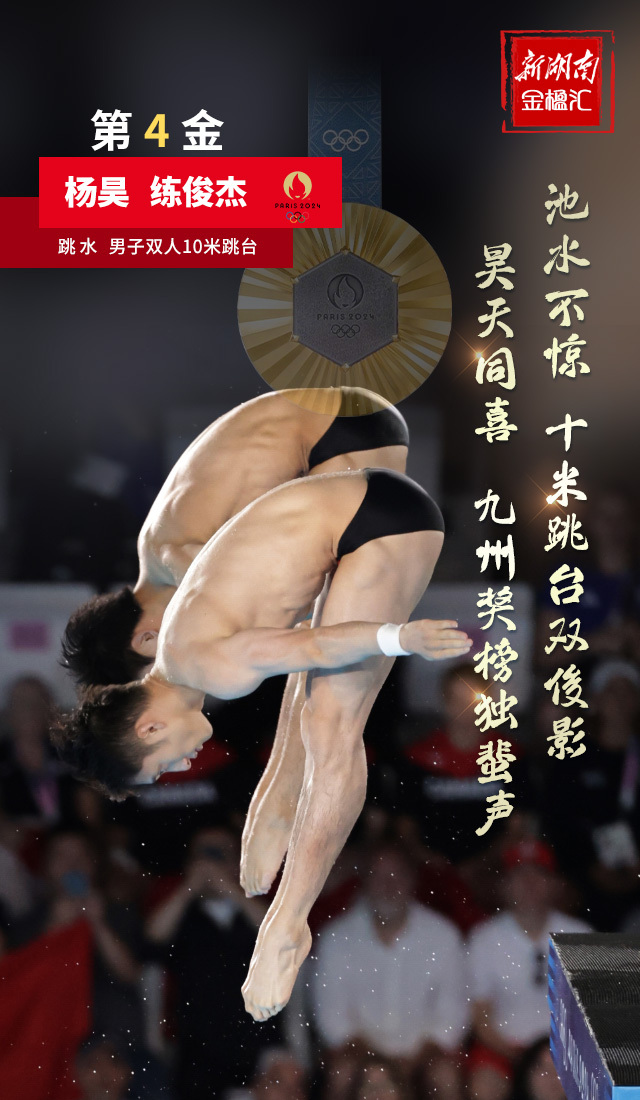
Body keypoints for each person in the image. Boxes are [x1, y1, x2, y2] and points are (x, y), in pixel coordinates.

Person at [54, 467, 471, 1020]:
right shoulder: (177, 651)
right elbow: (297, 645)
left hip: (385, 521)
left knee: (332, 722)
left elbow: (319, 647)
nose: (181, 765)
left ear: (148, 729)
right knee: (310, 686)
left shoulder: (208, 667)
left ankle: (287, 922)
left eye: (160, 767)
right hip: (357, 513)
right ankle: (277, 795)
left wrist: (398, 637)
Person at [62, 387, 409, 689]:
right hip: (343, 422)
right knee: (324, 630)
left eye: (166, 664)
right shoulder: (158, 552)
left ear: (147, 639)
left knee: (330, 654)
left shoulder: (172, 557)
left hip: (341, 426)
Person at [312, 835, 468, 1100]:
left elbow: (451, 1017)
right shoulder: (335, 938)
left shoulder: (444, 936)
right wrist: (381, 1065)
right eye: (378, 876)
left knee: (446, 1075)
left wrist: (411, 1063)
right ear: (364, 881)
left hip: (422, 1058)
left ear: (413, 880)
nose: (389, 885)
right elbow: (333, 1020)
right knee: (341, 1072)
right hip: (360, 1056)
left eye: (398, 875)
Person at [145, 826, 279, 1099]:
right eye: (203, 854)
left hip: (258, 1050)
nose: (211, 863)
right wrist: (189, 888)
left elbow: (282, 936)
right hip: (198, 1055)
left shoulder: (254, 911)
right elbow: (151, 940)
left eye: (221, 854)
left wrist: (230, 889)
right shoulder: (183, 915)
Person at [466, 839, 589, 1100]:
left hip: (566, 1052)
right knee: (483, 1086)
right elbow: (480, 1015)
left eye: (539, 875)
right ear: (505, 885)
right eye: (520, 875)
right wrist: (516, 1054)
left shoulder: (580, 935)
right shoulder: (483, 938)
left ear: (555, 884)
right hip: (504, 1049)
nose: (529, 884)